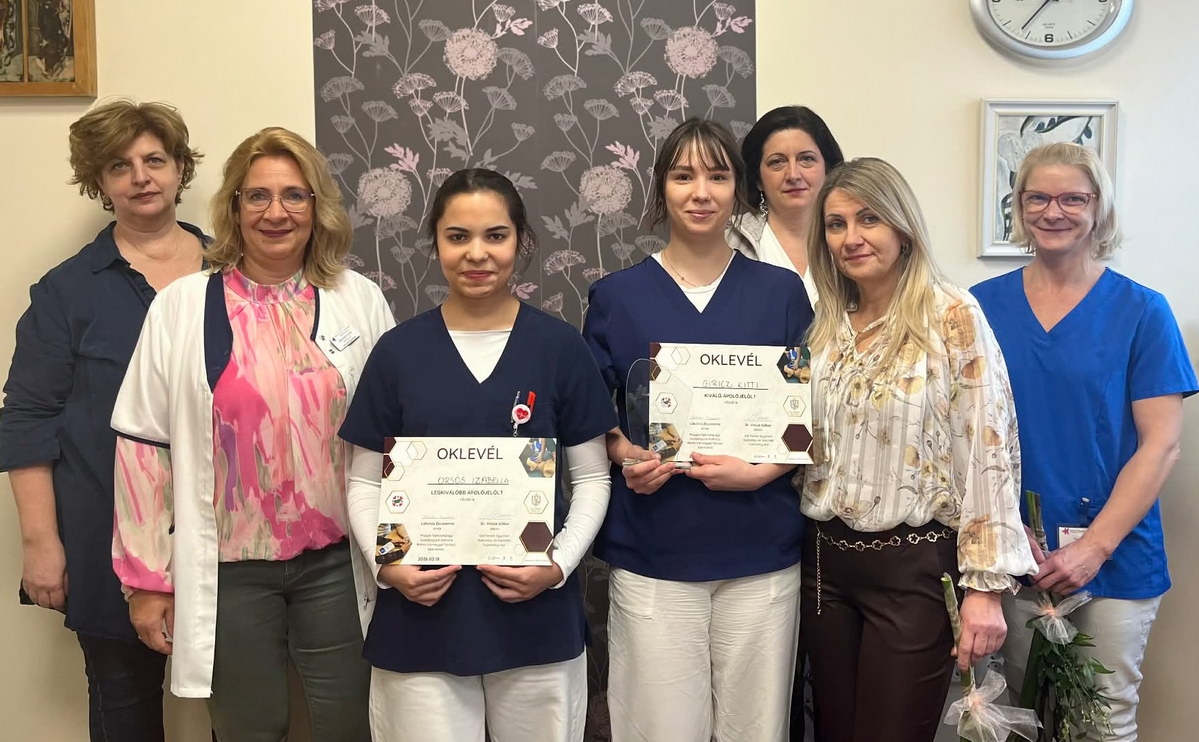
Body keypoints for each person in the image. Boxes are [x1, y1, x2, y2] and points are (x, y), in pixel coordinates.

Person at [109, 127, 394, 741]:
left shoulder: (359, 300)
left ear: (317, 207)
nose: (275, 212)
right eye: (257, 196)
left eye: (294, 196)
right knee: (247, 729)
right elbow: (143, 448)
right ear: (234, 207)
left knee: (352, 725)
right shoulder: (182, 307)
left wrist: (400, 549)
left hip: (336, 564)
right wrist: (147, 581)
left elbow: (393, 436)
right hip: (229, 570)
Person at [338, 168, 615, 742]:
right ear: (436, 242)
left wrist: (557, 566)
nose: (477, 253)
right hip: (422, 616)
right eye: (457, 236)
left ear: (521, 241)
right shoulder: (397, 353)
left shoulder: (560, 348)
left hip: (535, 616)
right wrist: (386, 568)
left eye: (495, 235)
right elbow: (364, 483)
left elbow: (593, 479)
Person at [583, 118, 814, 742]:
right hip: (655, 545)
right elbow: (592, 416)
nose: (701, 192)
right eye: (683, 176)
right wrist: (627, 454)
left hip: (759, 549)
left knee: (755, 729)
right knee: (658, 728)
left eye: (718, 176)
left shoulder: (782, 293)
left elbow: (808, 413)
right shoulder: (617, 296)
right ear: (662, 189)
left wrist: (762, 471)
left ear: (739, 189)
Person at [800, 157, 1037, 742]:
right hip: (826, 565)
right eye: (835, 224)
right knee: (832, 732)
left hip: (916, 569)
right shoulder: (826, 325)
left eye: (869, 219)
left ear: (902, 227)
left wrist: (984, 588)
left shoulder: (952, 315)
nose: (851, 238)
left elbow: (988, 449)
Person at [971, 143, 1196, 742]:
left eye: (1073, 198)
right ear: (1018, 207)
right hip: (1014, 557)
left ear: (1100, 208)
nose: (1054, 211)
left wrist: (1095, 547)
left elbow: (1161, 446)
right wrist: (1002, 533)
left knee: (1101, 720)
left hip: (1113, 559)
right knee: (1018, 716)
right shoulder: (979, 308)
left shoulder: (1143, 311)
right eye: (1037, 198)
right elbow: (964, 437)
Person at [0, 99, 205, 742]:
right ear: (100, 182)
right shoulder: (66, 291)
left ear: (179, 169)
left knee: (241, 704)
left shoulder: (235, 270)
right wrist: (41, 543)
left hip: (227, 531)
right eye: (120, 165)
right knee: (123, 703)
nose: (141, 177)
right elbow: (27, 418)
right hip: (105, 532)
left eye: (154, 160)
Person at [727, 105, 845, 303]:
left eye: (806, 159)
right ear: (758, 179)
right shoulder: (728, 242)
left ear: (828, 170)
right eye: (777, 162)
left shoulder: (852, 239)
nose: (793, 175)